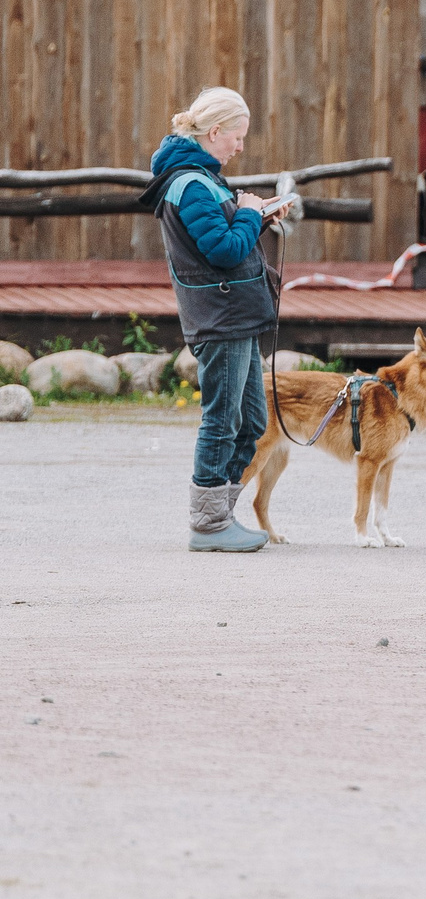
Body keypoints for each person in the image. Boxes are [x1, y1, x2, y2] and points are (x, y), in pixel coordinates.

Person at [142, 88, 292, 554]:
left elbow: (228, 236)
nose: (240, 147)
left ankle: (220, 514)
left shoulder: (203, 180)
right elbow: (224, 250)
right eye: (237, 137)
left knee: (251, 419)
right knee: (222, 419)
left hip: (237, 314)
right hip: (220, 317)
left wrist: (259, 218)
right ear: (214, 133)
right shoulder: (190, 185)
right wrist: (249, 214)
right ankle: (207, 526)